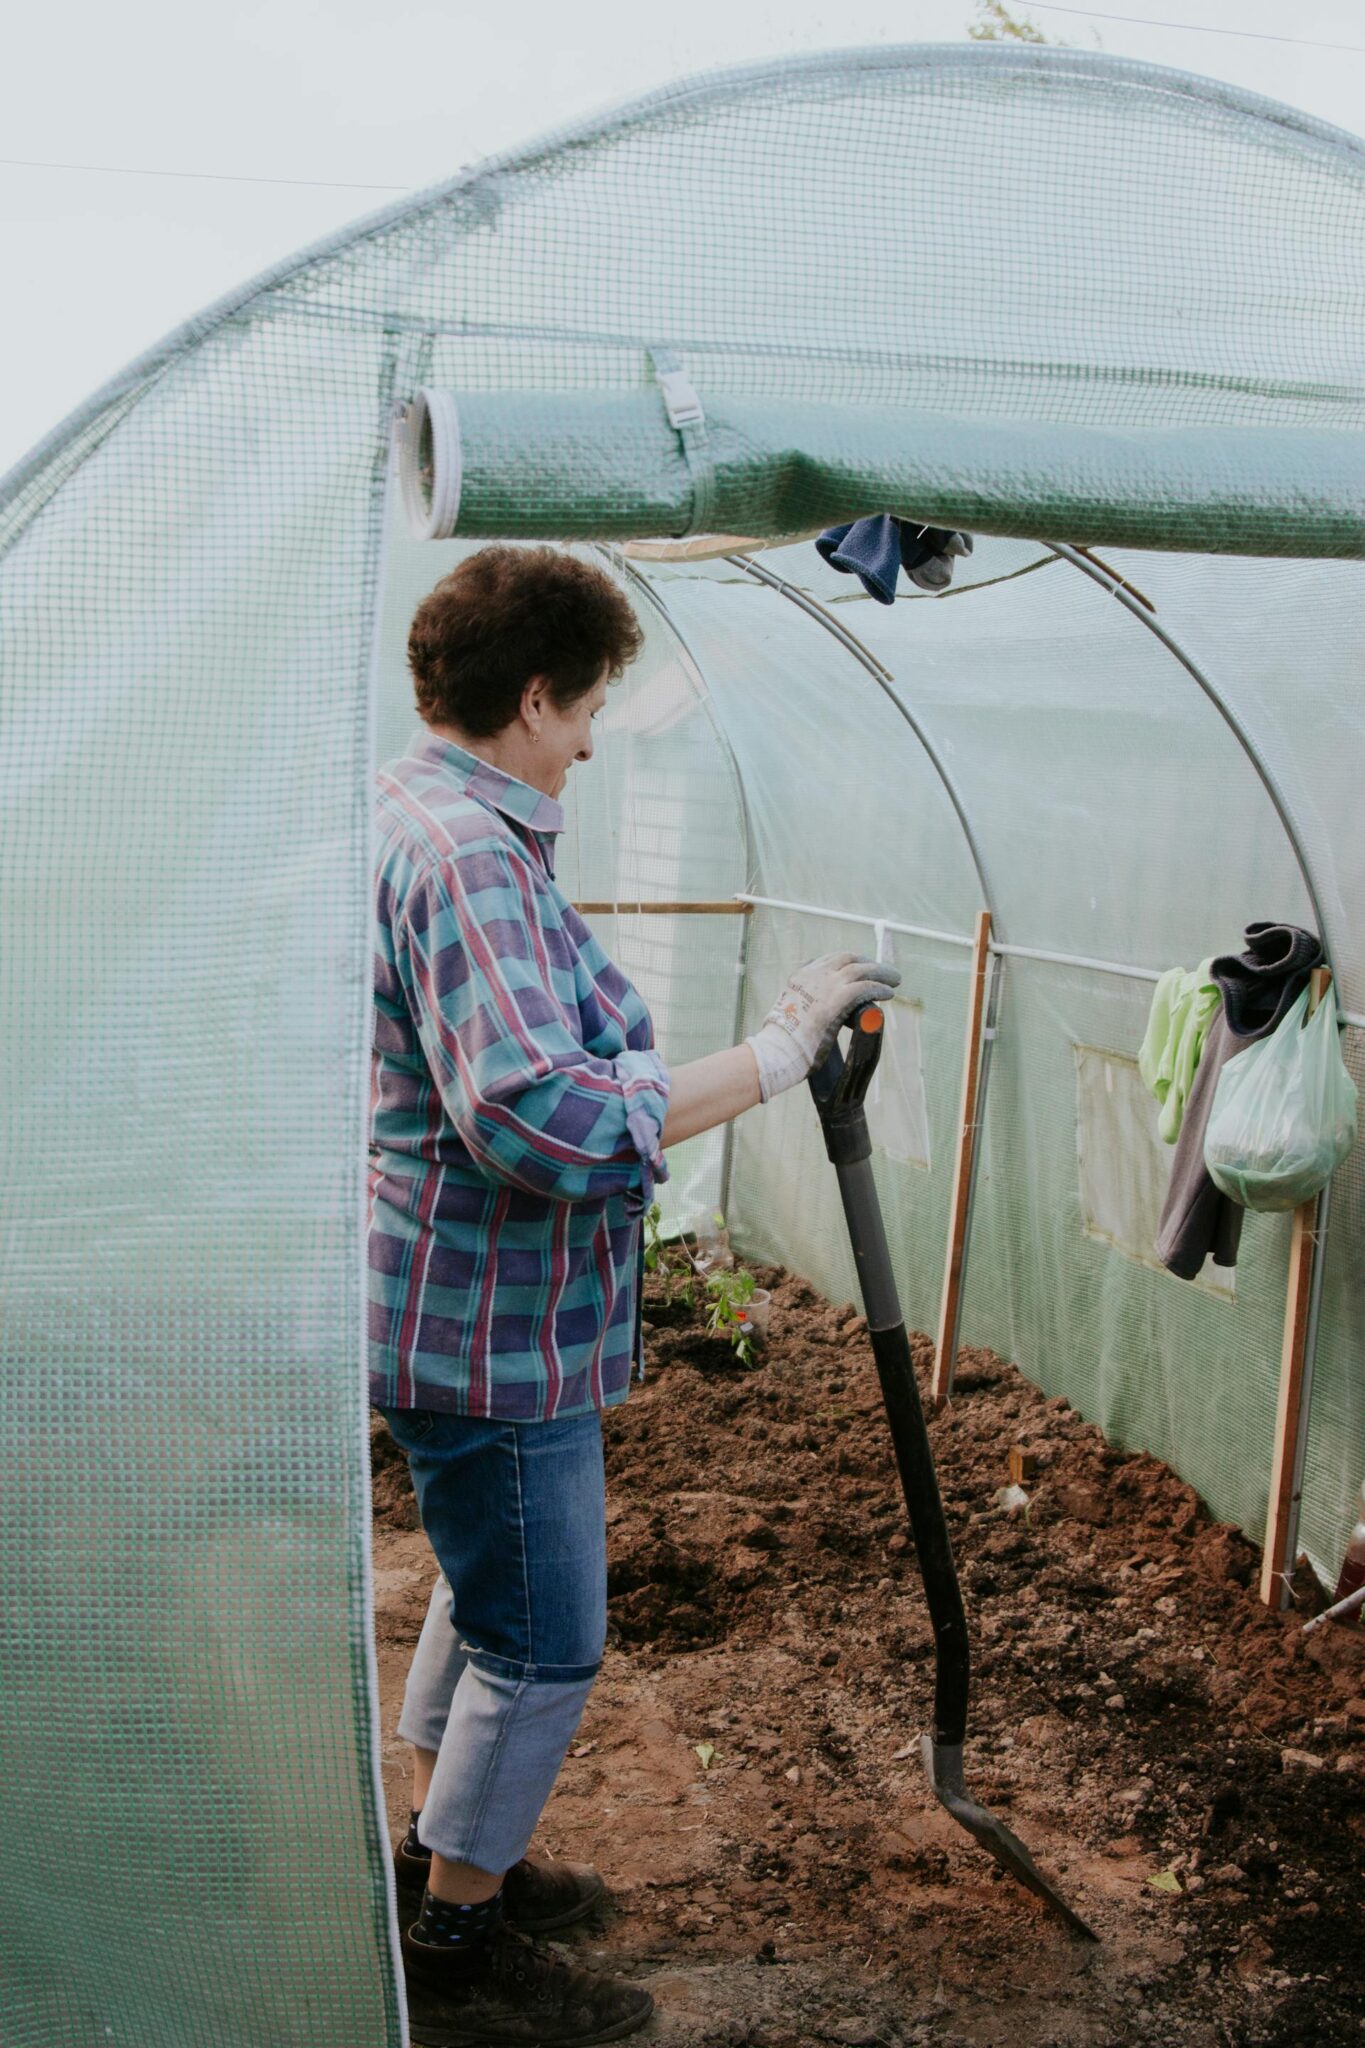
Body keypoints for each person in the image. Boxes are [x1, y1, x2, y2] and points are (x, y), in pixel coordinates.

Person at [369, 544, 900, 2047]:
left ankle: (440, 1857)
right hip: (490, 1323)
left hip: (452, 1304)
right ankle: (459, 1946)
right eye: (589, 707)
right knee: (545, 1636)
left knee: (492, 1603)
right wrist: (775, 1053)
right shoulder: (471, 854)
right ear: (533, 699)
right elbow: (531, 1113)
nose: (596, 740)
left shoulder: (425, 808)